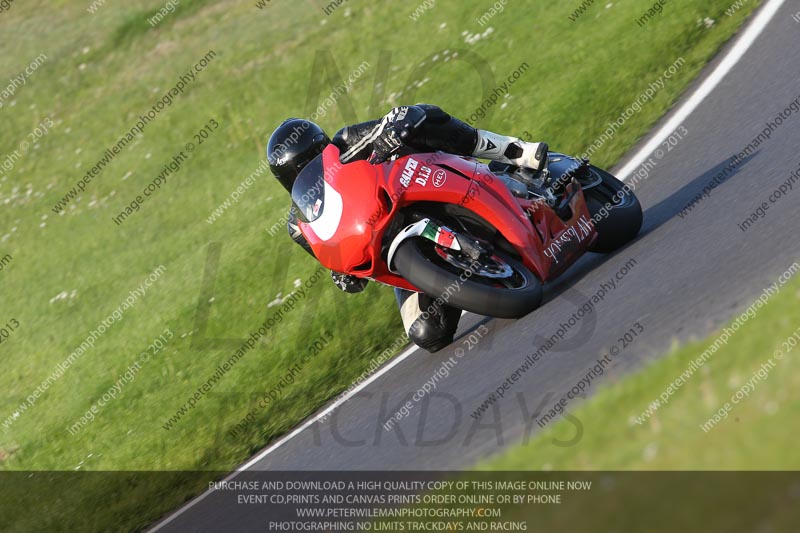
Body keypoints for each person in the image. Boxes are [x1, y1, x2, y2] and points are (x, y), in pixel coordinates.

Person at [267, 104, 548, 352]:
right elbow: (334, 256)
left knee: (428, 119)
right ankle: (464, 277)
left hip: (424, 183)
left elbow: (404, 115)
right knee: (427, 333)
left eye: (309, 162)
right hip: (394, 248)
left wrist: (395, 127)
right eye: (294, 173)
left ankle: (514, 151)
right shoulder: (299, 225)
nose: (305, 174)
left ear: (322, 148)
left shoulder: (347, 140)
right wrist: (342, 273)